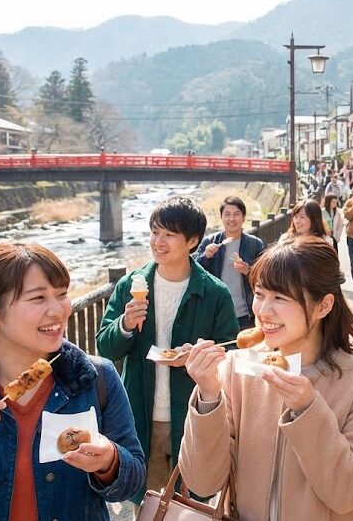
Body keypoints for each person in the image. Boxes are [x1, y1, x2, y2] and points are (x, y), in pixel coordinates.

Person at [0, 243, 145, 519]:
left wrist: (110, 461)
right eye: (38, 298)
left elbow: (134, 480)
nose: (58, 311)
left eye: (62, 295)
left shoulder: (97, 379)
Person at [178, 237, 353, 520]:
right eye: (260, 294)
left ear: (323, 305)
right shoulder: (236, 370)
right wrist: (209, 395)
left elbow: (349, 493)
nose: (263, 311)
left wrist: (308, 408)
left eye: (280, 298)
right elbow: (202, 482)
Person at [96, 196, 238, 506]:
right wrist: (124, 324)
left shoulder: (213, 292)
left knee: (190, 505)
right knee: (147, 504)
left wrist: (199, 356)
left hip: (191, 417)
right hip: (141, 415)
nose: (158, 242)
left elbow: (231, 350)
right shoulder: (130, 286)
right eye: (154, 232)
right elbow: (104, 347)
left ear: (192, 241)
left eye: (169, 234)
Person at [195, 196, 265, 331]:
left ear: (244, 218)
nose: (231, 219)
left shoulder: (255, 244)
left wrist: (248, 271)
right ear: (221, 217)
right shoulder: (209, 242)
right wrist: (206, 256)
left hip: (246, 314)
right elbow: (193, 270)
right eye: (227, 214)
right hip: (215, 313)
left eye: (236, 214)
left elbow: (266, 276)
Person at [321, 193, 345, 261]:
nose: (335, 204)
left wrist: (337, 236)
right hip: (324, 237)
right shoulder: (322, 211)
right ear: (328, 202)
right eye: (333, 202)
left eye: (336, 202)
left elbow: (340, 225)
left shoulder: (338, 212)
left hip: (333, 237)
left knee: (334, 257)